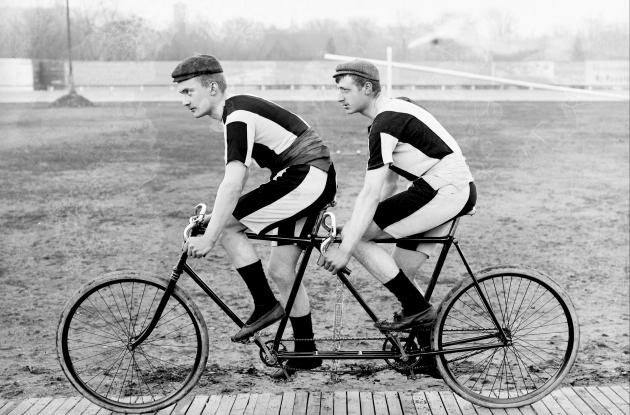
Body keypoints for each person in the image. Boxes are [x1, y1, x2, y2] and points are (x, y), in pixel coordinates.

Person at [173, 54, 336, 376]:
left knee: (228, 227)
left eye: (188, 92)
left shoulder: (237, 115)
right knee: (281, 268)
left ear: (213, 87)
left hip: (306, 175)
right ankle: (306, 351)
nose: (184, 101)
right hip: (307, 175)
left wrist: (210, 234)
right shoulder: (235, 112)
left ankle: (264, 305)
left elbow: (234, 182)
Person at [321, 59, 476, 331]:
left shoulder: (385, 123)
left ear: (367, 88)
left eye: (345, 90)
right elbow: (386, 187)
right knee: (400, 272)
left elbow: (370, 193)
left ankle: (418, 312)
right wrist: (361, 225)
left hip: (443, 188)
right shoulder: (395, 110)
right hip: (448, 187)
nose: (339, 97)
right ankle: (426, 354)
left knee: (356, 238)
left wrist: (347, 246)